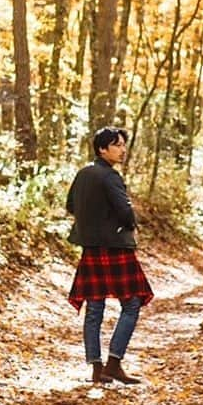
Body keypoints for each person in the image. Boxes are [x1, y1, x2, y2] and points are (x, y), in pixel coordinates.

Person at [66, 126, 153, 385]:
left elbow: (70, 205)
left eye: (123, 145)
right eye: (116, 145)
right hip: (114, 248)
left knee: (95, 308)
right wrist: (123, 223)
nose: (122, 150)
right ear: (102, 148)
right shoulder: (110, 176)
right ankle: (114, 363)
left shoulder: (83, 174)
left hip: (91, 248)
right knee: (132, 303)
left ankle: (96, 368)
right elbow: (126, 214)